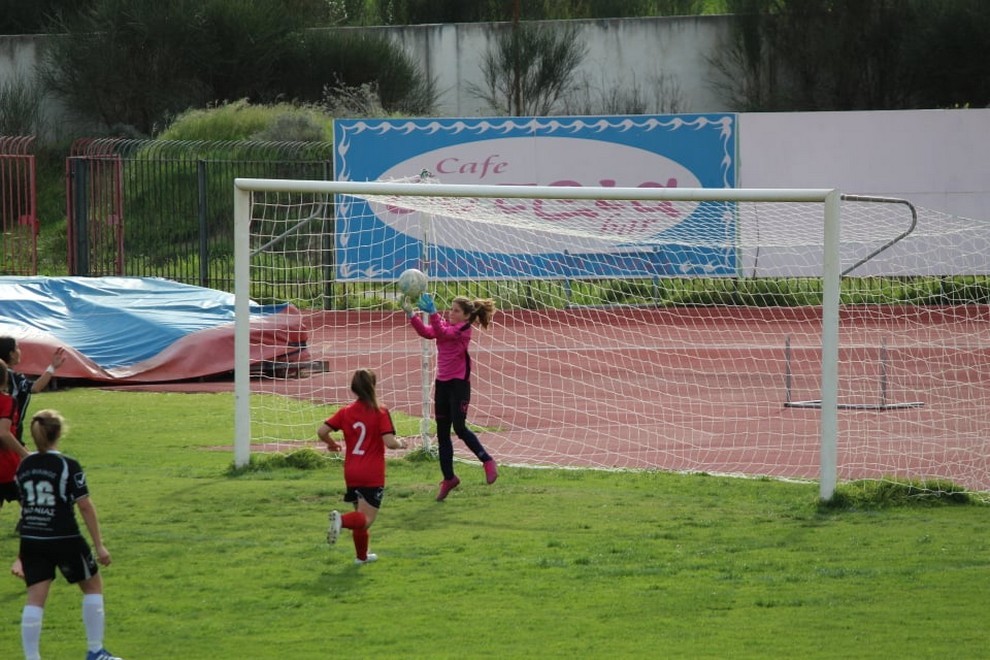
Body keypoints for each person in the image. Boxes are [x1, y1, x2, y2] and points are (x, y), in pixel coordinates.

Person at [14, 409, 121, 660]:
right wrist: (99, 545)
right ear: (58, 433)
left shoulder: (24, 465)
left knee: (35, 599)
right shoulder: (67, 465)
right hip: (64, 537)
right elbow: (85, 506)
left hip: (32, 539)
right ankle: (95, 651)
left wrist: (20, 554)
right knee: (93, 586)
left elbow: (26, 506)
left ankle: (32, 657)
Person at [403, 292, 498, 501]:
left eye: (456, 311)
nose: (451, 313)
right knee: (442, 433)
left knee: (460, 427)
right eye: (451, 309)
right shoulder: (446, 326)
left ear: (466, 316)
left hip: (458, 384)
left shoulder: (464, 329)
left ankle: (487, 460)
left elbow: (442, 333)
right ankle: (449, 478)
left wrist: (433, 314)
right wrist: (411, 315)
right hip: (442, 384)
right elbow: (428, 332)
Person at [317, 369, 406, 565]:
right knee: (366, 519)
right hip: (371, 473)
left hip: (351, 471)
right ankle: (341, 520)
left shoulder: (345, 411)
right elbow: (390, 442)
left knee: (359, 515)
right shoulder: (380, 411)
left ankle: (361, 557)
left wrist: (332, 444)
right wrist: (402, 443)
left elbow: (322, 431)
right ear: (373, 386)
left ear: (354, 388)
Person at [0, 337, 66, 442]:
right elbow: (35, 387)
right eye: (17, 348)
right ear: (11, 354)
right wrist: (52, 367)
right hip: (9, 431)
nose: (19, 351)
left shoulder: (7, 375)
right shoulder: (13, 377)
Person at [0, 359, 30, 513]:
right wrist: (25, 454)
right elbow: (4, 433)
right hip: (7, 465)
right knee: (32, 507)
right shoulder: (7, 401)